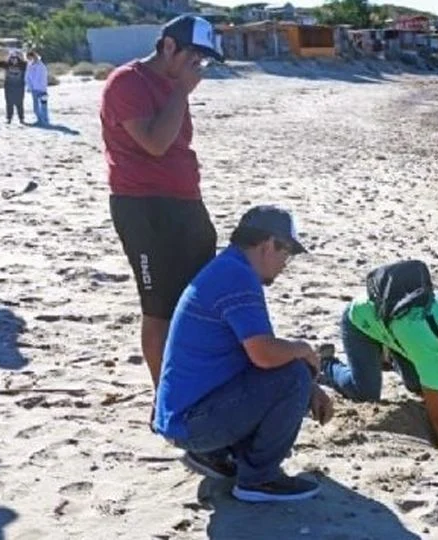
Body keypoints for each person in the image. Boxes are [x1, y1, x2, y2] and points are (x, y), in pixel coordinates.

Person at [153, 205, 334, 503]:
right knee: (294, 374)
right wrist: (304, 352)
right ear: (267, 246)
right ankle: (259, 479)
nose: (285, 263)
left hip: (182, 416)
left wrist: (311, 386)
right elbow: (264, 355)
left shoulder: (229, 267)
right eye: (286, 253)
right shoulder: (237, 276)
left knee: (293, 372)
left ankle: (214, 454)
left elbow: (255, 355)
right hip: (193, 422)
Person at [101, 15, 224, 391]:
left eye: (203, 61)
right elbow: (155, 144)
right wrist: (181, 92)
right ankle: (165, 397)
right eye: (194, 58)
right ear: (169, 46)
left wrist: (178, 90)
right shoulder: (127, 82)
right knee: (159, 308)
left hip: (186, 203)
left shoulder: (171, 85)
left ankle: (196, 382)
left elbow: (176, 143)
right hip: (143, 208)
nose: (197, 68)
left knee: (200, 300)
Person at [320, 261, 438, 451]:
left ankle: (387, 355)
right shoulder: (428, 353)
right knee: (366, 393)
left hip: (399, 325)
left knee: (417, 384)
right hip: (362, 321)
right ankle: (326, 363)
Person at [0, 51, 26, 124]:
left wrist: (20, 56)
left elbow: (27, 63)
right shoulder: (6, 65)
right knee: (9, 103)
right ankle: (9, 118)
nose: (13, 60)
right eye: (12, 58)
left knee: (19, 104)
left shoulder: (23, 65)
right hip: (9, 88)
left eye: (15, 58)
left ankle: (21, 118)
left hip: (19, 88)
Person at [25, 51, 49, 126]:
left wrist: (42, 88)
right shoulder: (29, 66)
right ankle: (40, 120)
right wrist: (29, 86)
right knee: (36, 107)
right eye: (28, 58)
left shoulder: (41, 65)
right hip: (33, 89)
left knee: (43, 105)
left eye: (30, 57)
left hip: (42, 89)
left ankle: (45, 120)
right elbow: (27, 77)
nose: (29, 59)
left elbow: (42, 77)